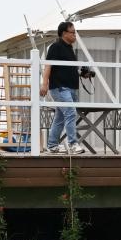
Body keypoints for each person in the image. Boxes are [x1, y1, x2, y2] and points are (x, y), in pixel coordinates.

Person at [40, 21, 84, 154]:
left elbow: (68, 69)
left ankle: (52, 145)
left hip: (71, 88)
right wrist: (44, 84)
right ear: (64, 33)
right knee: (70, 112)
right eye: (73, 32)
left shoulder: (70, 48)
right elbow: (48, 66)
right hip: (60, 87)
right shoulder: (55, 47)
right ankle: (73, 144)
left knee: (60, 116)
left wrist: (83, 74)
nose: (75, 35)